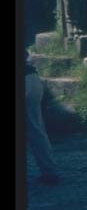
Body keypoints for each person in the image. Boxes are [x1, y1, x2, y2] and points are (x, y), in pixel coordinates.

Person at [25, 49, 60, 185]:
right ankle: (50, 171)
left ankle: (50, 172)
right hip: (32, 79)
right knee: (36, 130)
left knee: (35, 130)